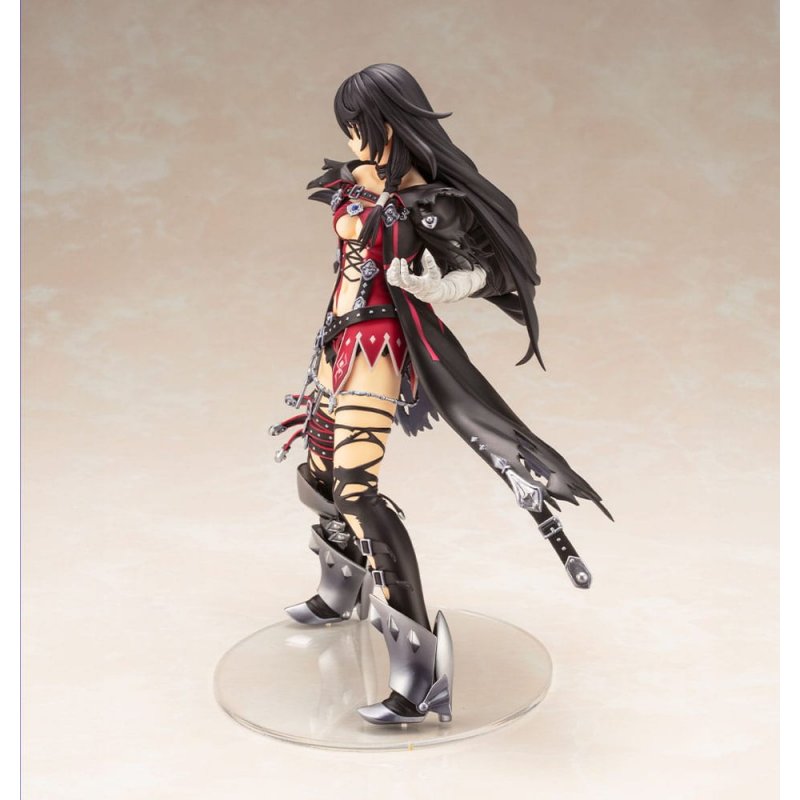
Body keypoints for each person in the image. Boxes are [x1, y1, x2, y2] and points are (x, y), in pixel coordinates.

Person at [270, 64, 611, 726]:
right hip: (335, 340)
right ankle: (341, 589)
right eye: (347, 127)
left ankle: (419, 672)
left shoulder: (429, 201)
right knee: (317, 471)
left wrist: (437, 286)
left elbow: (484, 269)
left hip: (379, 347)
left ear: (391, 122)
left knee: (355, 490)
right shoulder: (354, 180)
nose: (352, 138)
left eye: (360, 125)